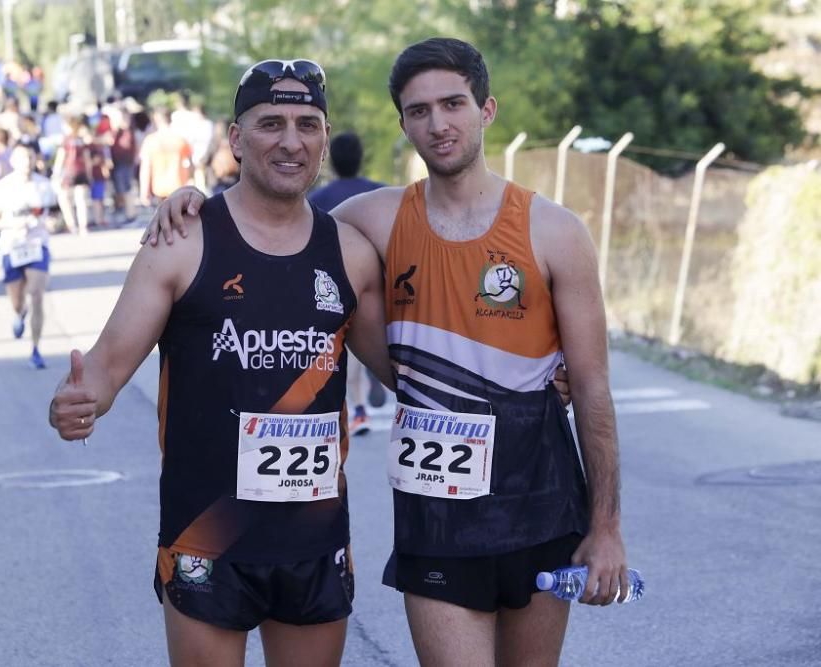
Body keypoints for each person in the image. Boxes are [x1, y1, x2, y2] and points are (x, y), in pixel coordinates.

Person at [144, 37, 628, 667]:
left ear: (487, 110)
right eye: (419, 111)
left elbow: (592, 390)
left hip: (540, 507)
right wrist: (189, 204)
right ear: (403, 124)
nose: (439, 124)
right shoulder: (367, 220)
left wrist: (608, 527)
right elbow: (266, 217)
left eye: (453, 104)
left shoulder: (556, 232)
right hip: (435, 521)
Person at [49, 59, 391, 667]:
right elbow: (104, 367)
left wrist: (536, 374)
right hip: (206, 536)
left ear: (324, 136)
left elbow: (407, 373)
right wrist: (80, 401)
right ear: (235, 139)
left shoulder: (350, 252)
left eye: (307, 124)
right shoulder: (184, 239)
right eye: (270, 123)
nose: (291, 141)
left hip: (312, 538)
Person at [309, 132, 387, 435]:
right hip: (381, 284)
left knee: (350, 354)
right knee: (374, 347)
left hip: (340, 288)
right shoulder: (381, 194)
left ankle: (359, 407)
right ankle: (376, 376)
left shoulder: (317, 200)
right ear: (360, 158)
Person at [0, 144, 56, 370]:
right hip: (12, 247)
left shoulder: (43, 185)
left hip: (37, 245)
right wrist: (10, 223)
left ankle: (35, 349)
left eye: (30, 158)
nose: (26, 162)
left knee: (36, 294)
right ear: (13, 161)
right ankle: (19, 313)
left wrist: (53, 223)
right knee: (17, 300)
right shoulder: (2, 188)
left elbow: (55, 213)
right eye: (22, 158)